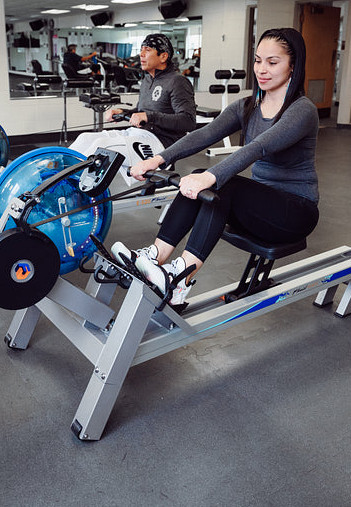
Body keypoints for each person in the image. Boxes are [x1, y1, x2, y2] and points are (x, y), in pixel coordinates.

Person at [112, 28, 320, 312]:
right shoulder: (248, 106)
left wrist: (209, 177)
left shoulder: (302, 110)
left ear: (293, 66)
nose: (262, 69)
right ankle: (155, 257)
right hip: (259, 208)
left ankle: (179, 276)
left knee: (223, 184)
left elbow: (257, 147)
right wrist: (157, 159)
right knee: (205, 178)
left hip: (295, 212)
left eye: (273, 62)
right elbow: (204, 134)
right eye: (258, 61)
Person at [69, 34, 196, 178]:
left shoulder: (178, 81)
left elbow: (188, 121)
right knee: (84, 137)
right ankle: (55, 177)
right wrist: (122, 111)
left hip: (160, 143)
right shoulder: (148, 80)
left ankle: (69, 184)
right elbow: (142, 111)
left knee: (100, 146)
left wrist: (149, 117)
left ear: (163, 56)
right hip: (138, 133)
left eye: (147, 50)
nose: (141, 54)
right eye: (141, 49)